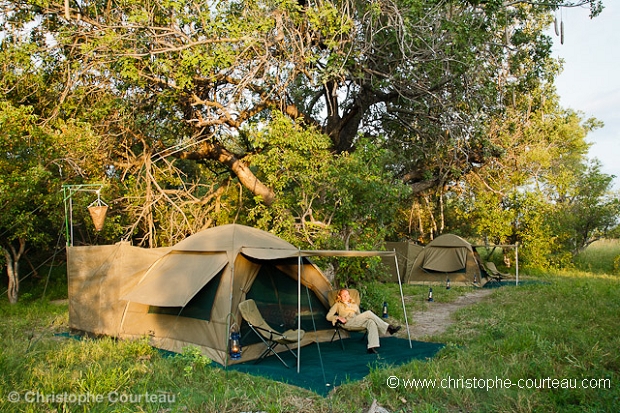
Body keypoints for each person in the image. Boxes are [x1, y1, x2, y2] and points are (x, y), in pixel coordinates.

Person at [326, 288, 401, 354]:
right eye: (343, 295)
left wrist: (363, 319)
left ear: (349, 295)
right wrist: (337, 317)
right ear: (340, 296)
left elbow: (359, 315)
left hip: (356, 321)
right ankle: (389, 328)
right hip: (347, 323)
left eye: (347, 294)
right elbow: (328, 316)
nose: (345, 296)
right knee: (368, 313)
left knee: (371, 322)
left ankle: (371, 348)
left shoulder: (354, 304)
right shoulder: (337, 305)